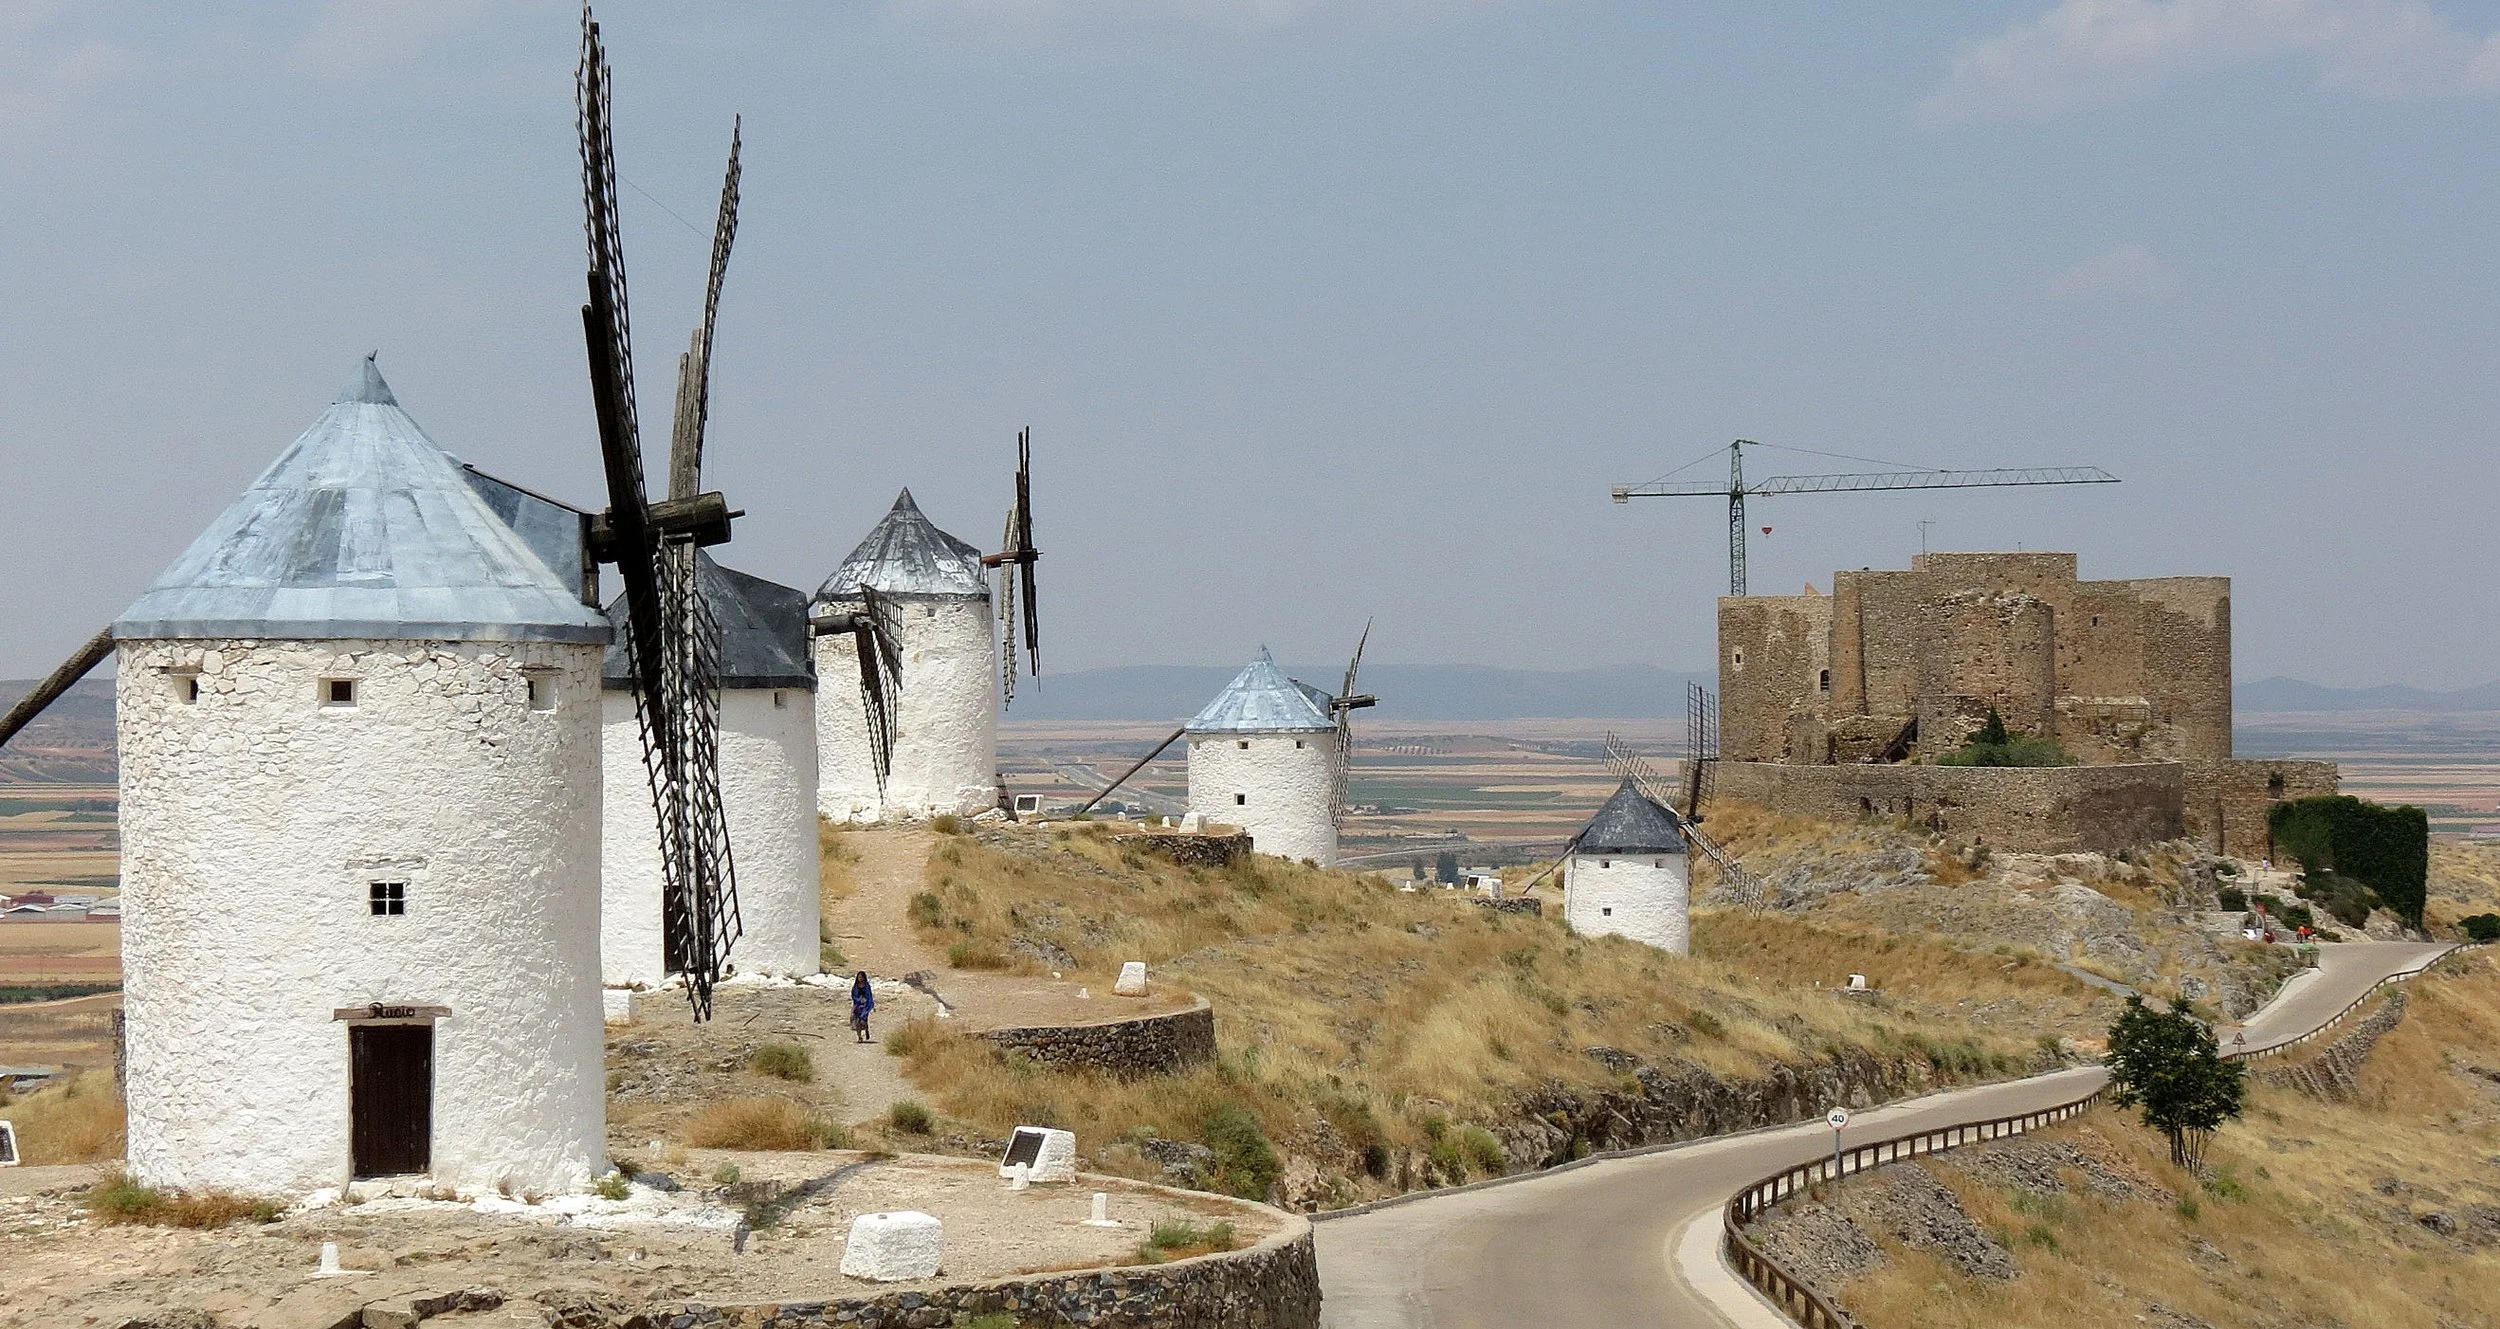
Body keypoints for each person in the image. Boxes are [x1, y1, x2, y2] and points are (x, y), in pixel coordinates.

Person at [850, 970, 875, 1044]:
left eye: (861, 977)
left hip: (865, 1007)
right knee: (856, 1021)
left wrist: (869, 1004)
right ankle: (859, 1037)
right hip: (857, 1006)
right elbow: (853, 995)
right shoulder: (855, 986)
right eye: (859, 977)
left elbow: (870, 996)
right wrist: (858, 1000)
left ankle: (866, 1029)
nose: (860, 978)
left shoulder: (867, 986)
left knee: (863, 1021)